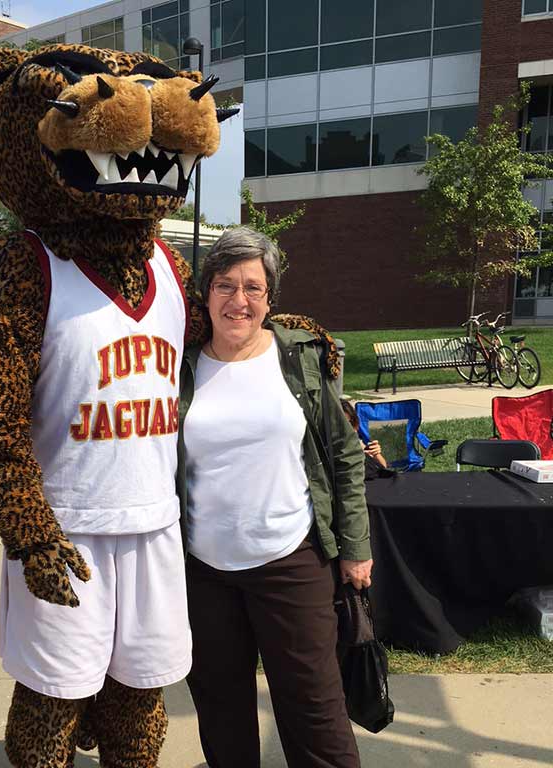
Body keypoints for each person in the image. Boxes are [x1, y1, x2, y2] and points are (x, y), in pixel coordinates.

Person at [178, 227, 373, 768]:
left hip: (292, 560)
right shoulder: (182, 368)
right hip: (204, 571)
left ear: (269, 298)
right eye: (224, 286)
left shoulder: (300, 358)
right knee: (220, 710)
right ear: (206, 293)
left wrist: (356, 546)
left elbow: (345, 454)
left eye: (252, 288)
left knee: (314, 708)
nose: (238, 301)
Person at [341, 399, 389, 473]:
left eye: (350, 422)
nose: (348, 429)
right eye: (343, 424)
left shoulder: (356, 442)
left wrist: (376, 454)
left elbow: (383, 467)